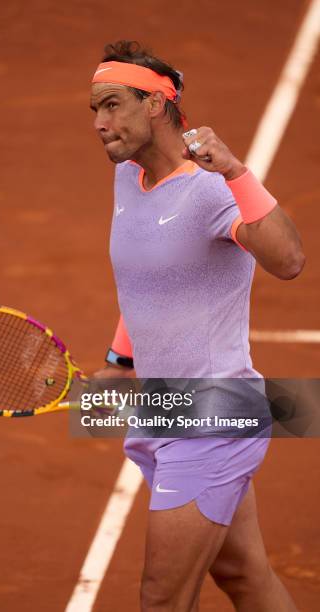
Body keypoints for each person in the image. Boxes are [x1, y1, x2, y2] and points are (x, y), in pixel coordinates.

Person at [90, 40, 304, 611]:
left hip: (215, 417)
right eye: (95, 109)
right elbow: (147, 284)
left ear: (156, 103)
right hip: (164, 411)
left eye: (112, 105)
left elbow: (288, 261)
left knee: (162, 597)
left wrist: (235, 170)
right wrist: (119, 363)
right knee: (243, 576)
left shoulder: (211, 190)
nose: (100, 122)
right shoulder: (127, 181)